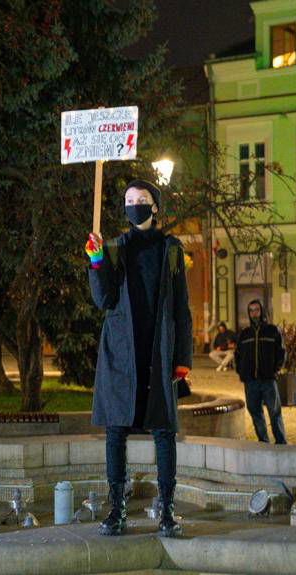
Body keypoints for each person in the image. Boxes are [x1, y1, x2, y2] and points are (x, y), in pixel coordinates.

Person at [85, 179, 193, 538]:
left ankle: (167, 511)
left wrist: (183, 358)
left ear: (155, 206)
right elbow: (103, 300)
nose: (135, 205)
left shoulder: (171, 249)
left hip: (158, 351)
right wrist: (97, 261)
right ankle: (117, 510)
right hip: (121, 351)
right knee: (116, 431)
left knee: (164, 431)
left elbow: (181, 307)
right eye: (130, 200)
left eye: (142, 200)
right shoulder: (115, 247)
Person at [233, 300, 287, 444]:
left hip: (268, 379)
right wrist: (241, 372)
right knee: (255, 412)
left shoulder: (272, 330)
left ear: (262, 311)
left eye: (256, 310)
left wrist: (276, 369)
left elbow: (281, 352)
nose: (254, 313)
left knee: (274, 412)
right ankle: (263, 441)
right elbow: (237, 354)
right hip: (250, 381)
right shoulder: (245, 334)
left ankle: (281, 442)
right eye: (251, 310)